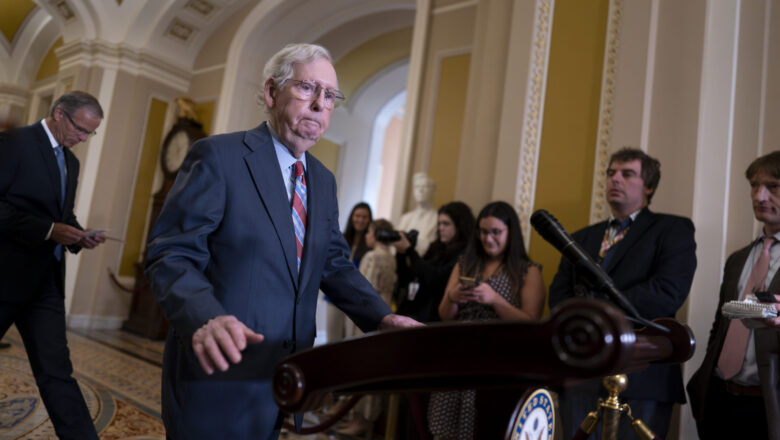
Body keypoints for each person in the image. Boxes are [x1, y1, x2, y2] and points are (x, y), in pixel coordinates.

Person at [144, 43, 421, 440]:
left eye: (329, 96)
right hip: (218, 373)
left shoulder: (323, 180)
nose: (320, 104)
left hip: (283, 379)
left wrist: (381, 317)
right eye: (308, 88)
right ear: (272, 93)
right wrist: (203, 315)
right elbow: (171, 253)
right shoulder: (219, 157)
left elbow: (333, 264)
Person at [548, 147, 697, 440]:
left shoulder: (672, 229)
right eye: (611, 173)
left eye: (627, 174)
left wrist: (593, 310)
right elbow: (558, 298)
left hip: (643, 374)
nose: (615, 179)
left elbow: (666, 293)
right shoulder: (580, 238)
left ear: (649, 186)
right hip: (580, 372)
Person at [0, 91, 106, 439]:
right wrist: (48, 230)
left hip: (45, 284)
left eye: (91, 133)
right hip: (5, 276)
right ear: (59, 114)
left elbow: (61, 216)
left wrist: (78, 235)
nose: (84, 139)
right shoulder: (14, 142)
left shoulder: (70, 162)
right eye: (81, 129)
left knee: (57, 371)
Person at [428, 201, 545, 439]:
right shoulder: (466, 263)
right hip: (458, 355)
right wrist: (453, 296)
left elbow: (532, 323)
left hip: (498, 359)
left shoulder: (527, 270)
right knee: (446, 429)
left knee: (483, 427)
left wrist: (495, 300)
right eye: (483, 232)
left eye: (496, 232)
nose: (488, 238)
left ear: (510, 233)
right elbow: (444, 315)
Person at [687, 151, 780, 439]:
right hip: (719, 398)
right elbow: (722, 324)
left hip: (769, 406)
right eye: (754, 185)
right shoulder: (738, 258)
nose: (760, 196)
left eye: (773, 187)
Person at [335, 218, 398, 436]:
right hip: (385, 306)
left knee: (363, 365)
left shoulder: (373, 256)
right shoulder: (391, 257)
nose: (367, 236)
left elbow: (365, 286)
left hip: (370, 313)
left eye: (370, 232)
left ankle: (361, 419)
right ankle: (363, 418)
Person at [394, 201, 475, 323]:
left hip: (435, 318)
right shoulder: (435, 248)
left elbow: (436, 278)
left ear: (460, 226)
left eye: (446, 224)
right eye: (439, 223)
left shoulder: (465, 254)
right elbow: (408, 279)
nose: (440, 228)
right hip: (414, 313)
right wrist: (401, 254)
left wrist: (410, 251)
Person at [326, 202, 372, 343]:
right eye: (358, 216)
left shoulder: (370, 244)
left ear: (369, 220)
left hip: (355, 299)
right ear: (352, 217)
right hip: (334, 295)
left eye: (365, 217)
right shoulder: (342, 237)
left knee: (350, 339)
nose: (360, 220)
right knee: (332, 338)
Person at [397, 172, 438, 255]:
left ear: (433, 191)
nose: (420, 190)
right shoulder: (405, 218)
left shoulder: (437, 218)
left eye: (425, 186)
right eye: (417, 187)